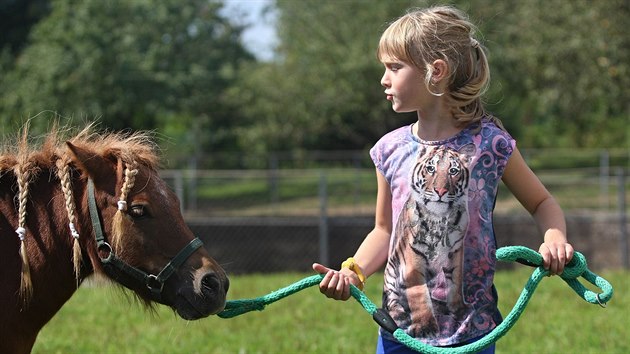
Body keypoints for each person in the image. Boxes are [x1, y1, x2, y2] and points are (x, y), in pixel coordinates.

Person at [312, 5, 574, 354]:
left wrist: (554, 237)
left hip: (473, 333)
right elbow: (384, 231)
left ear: (435, 71)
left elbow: (542, 202)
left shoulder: (490, 143)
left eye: (394, 67)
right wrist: (352, 272)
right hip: (399, 332)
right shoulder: (389, 150)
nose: (384, 79)